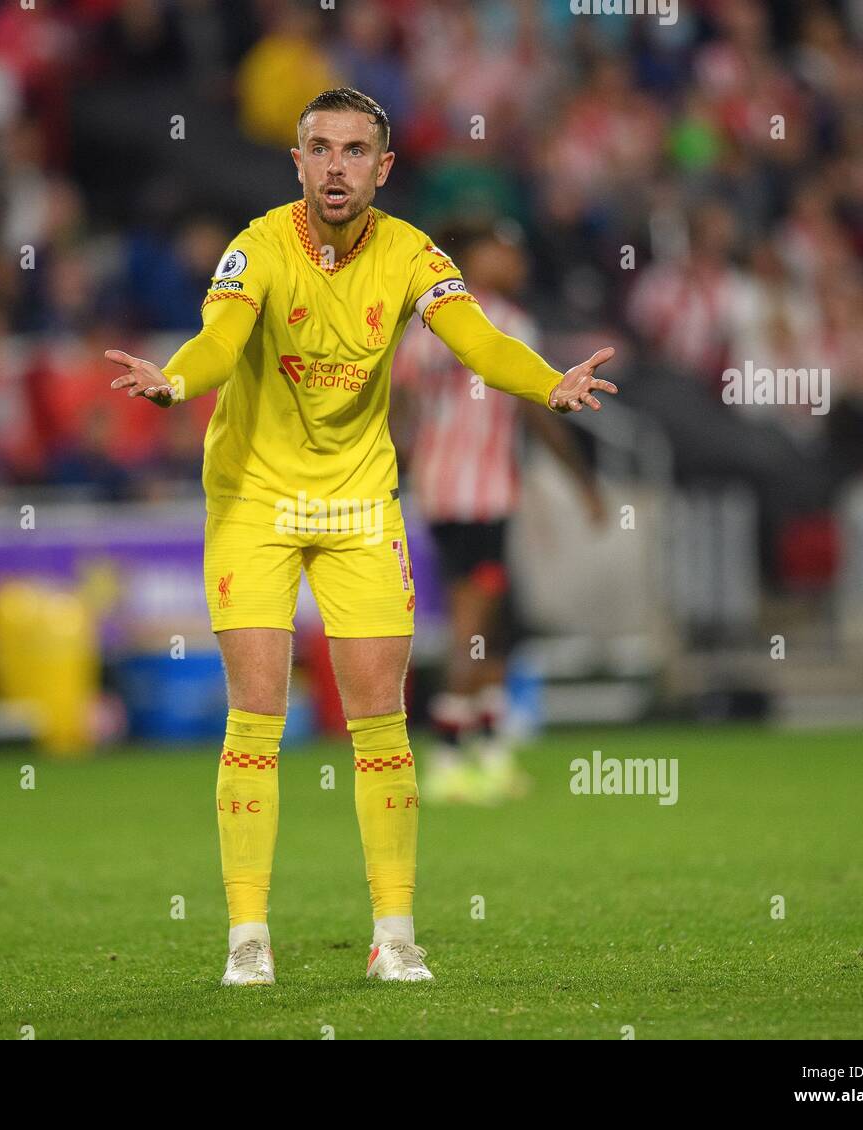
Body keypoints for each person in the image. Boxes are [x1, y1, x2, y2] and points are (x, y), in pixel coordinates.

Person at [105, 88, 617, 986]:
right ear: (295, 162)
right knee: (257, 715)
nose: (334, 166)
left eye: (353, 151)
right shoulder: (255, 248)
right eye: (318, 149)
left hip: (357, 505)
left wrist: (547, 383)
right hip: (255, 502)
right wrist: (177, 384)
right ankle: (248, 938)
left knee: (383, 723)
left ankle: (394, 934)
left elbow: (477, 340)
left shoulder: (415, 254)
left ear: (383, 168)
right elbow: (218, 340)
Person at [392, 217, 605, 805]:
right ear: (477, 257)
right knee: (474, 622)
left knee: (490, 627)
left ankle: (487, 752)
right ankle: (448, 753)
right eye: (504, 252)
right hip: (480, 494)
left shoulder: (424, 324)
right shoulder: (506, 323)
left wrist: (397, 461)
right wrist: (584, 481)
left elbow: (399, 405)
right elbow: (537, 408)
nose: (516, 263)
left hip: (440, 492)